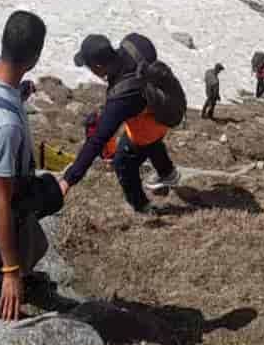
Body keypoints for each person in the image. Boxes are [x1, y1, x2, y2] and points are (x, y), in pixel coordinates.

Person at [0, 11, 65, 319]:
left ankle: (25, 273)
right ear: (34, 58)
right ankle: (2, 309)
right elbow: (1, 202)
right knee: (9, 231)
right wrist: (9, 270)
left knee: (50, 194)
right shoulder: (5, 127)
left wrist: (17, 94)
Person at [60, 33, 180, 215]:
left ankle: (142, 207)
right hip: (166, 108)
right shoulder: (135, 44)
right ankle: (168, 173)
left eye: (90, 66)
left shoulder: (121, 98)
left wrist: (68, 179)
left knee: (123, 161)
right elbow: (150, 52)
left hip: (149, 128)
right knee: (150, 142)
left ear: (99, 67)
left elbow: (97, 140)